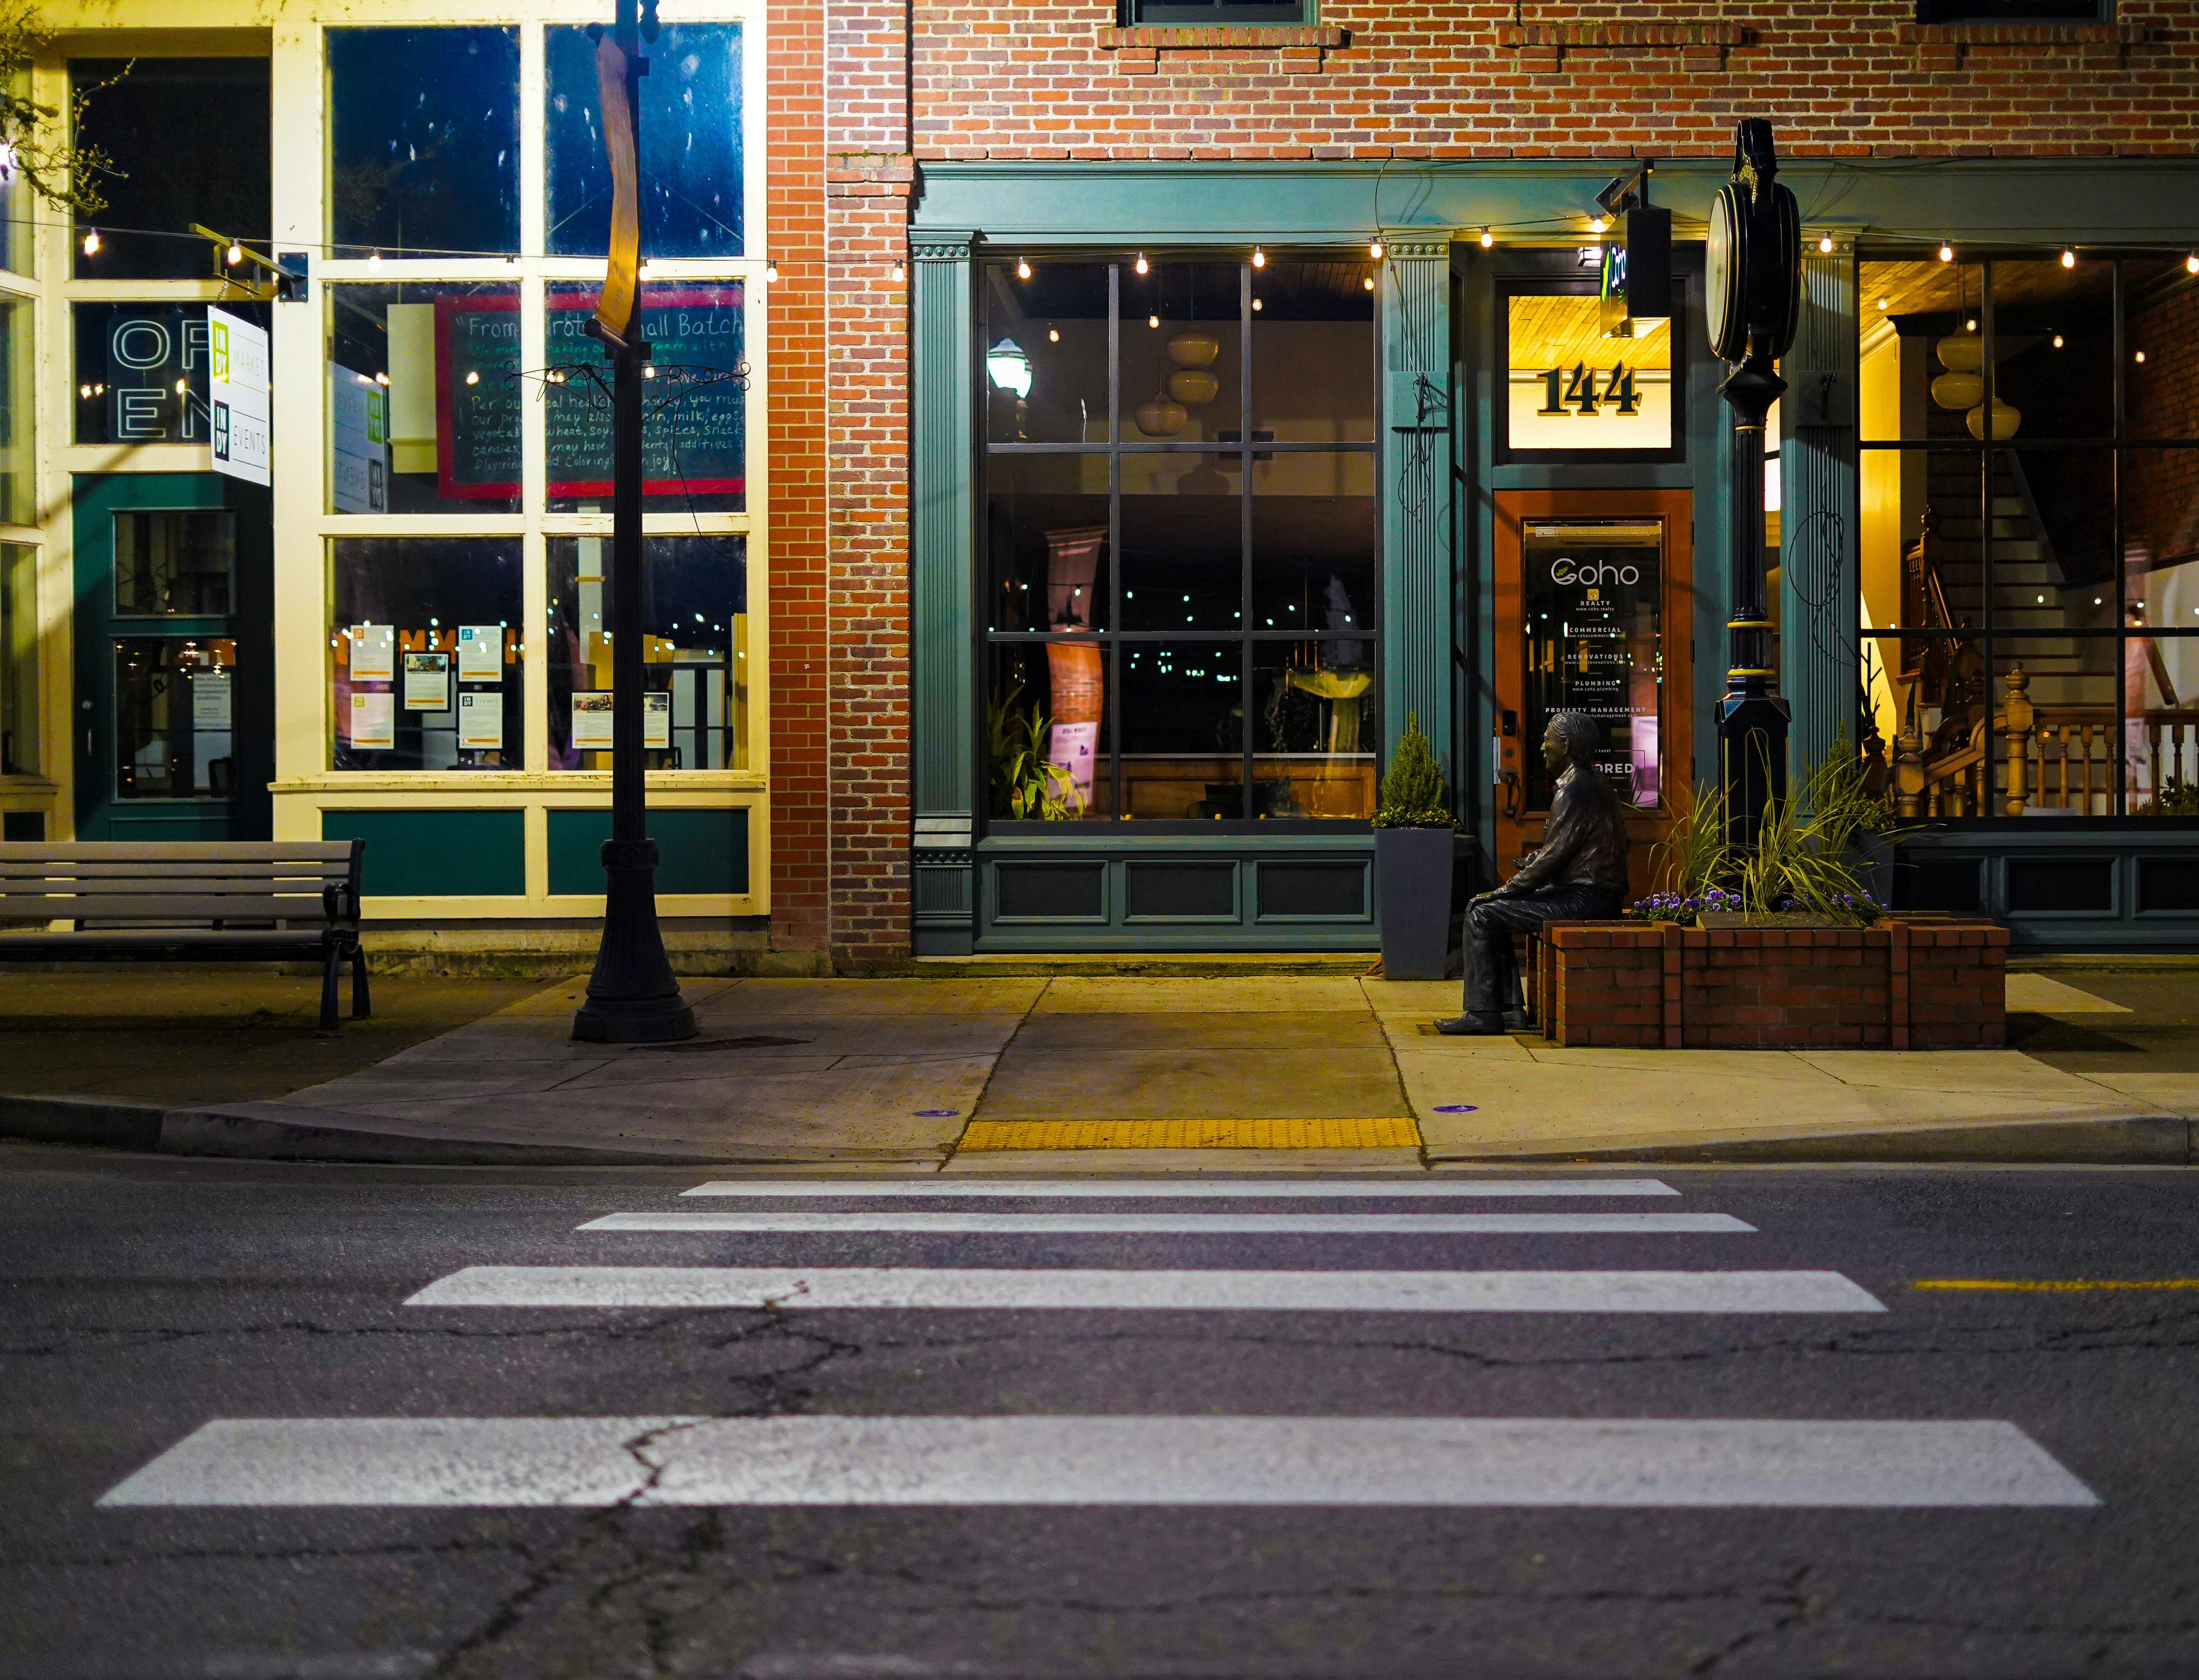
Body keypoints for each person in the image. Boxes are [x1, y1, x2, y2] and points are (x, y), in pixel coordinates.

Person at [1436, 710, 1630, 1036]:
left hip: (1587, 900)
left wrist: (1505, 890)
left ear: (1566, 745)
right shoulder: (1593, 783)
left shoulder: (1574, 789)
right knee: (1490, 914)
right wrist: (1540, 861)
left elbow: (1554, 858)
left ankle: (1483, 1014)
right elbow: (1577, 847)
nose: (1542, 747)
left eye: (1548, 739)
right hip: (1591, 893)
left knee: (1482, 914)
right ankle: (1510, 1011)